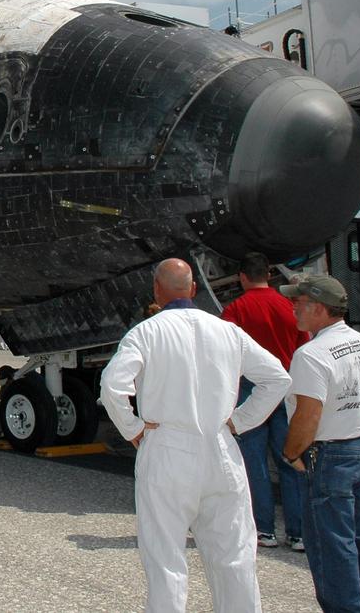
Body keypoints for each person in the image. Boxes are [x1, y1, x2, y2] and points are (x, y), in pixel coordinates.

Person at [99, 258, 290, 613]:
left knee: (166, 562)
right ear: (193, 289)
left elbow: (112, 386)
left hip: (168, 448)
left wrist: (133, 429)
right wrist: (240, 421)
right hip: (221, 447)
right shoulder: (227, 331)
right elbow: (277, 378)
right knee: (234, 557)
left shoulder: (146, 333)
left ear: (156, 290)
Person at [280, 275, 360, 613]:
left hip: (330, 454)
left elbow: (308, 414)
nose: (293, 306)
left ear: (318, 308)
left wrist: (291, 453)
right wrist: (354, 421)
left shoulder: (311, 354)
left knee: (332, 548)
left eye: (298, 301)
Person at [221, 252, 306, 551]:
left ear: (242, 277)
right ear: (269, 274)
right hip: (285, 386)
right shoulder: (289, 307)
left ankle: (264, 530)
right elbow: (303, 348)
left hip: (249, 389)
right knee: (290, 458)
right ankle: (297, 533)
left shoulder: (235, 310)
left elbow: (225, 354)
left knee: (254, 463)